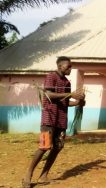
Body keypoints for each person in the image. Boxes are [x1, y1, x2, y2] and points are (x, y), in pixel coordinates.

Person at [22, 56, 85, 188]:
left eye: (71, 66)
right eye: (68, 66)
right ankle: (28, 174)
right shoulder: (51, 76)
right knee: (44, 146)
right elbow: (49, 95)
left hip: (61, 120)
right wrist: (70, 95)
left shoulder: (67, 83)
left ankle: (44, 175)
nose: (70, 68)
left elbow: (66, 102)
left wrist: (79, 102)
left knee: (57, 147)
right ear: (60, 66)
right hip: (49, 119)